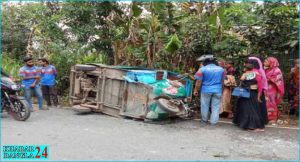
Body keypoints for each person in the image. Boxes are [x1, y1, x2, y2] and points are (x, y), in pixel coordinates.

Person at [233, 59, 267, 132]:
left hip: (245, 94)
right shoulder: (258, 74)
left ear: (246, 67)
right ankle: (256, 126)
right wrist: (258, 96)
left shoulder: (244, 74)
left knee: (246, 110)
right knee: (254, 110)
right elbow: (260, 86)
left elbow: (241, 83)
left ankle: (248, 125)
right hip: (253, 94)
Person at [194, 55, 225, 125]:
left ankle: (204, 120)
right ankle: (213, 122)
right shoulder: (221, 70)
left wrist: (196, 90)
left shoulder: (202, 69)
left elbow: (198, 82)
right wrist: (222, 90)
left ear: (205, 62)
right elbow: (222, 82)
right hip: (218, 90)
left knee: (205, 105)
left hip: (205, 90)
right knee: (216, 107)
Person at [264, 57, 285, 122]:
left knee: (271, 102)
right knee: (265, 103)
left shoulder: (277, 70)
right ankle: (265, 117)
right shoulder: (267, 70)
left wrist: (266, 79)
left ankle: (272, 118)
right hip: (265, 89)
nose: (264, 61)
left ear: (271, 62)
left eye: (266, 61)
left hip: (272, 90)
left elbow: (277, 79)